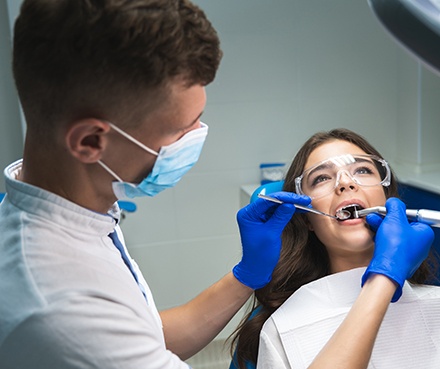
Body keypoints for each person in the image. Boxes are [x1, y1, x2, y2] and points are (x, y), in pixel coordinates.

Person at [0, 1, 313, 368]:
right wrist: (382, 284)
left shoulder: (70, 211)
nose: (197, 136)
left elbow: (141, 333)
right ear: (89, 142)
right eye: (182, 129)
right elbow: (103, 341)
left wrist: (246, 276)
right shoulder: (60, 310)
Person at [230, 128, 440, 369]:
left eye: (362, 170)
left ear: (387, 199)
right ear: (307, 219)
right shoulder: (280, 330)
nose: (345, 183)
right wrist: (386, 273)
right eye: (321, 178)